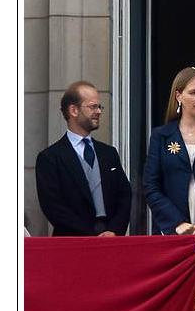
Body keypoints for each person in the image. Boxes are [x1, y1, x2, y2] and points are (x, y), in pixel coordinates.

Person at [36, 80, 131, 236]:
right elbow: (53, 206)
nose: (99, 111)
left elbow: (124, 195)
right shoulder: (50, 158)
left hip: (111, 241)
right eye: (93, 106)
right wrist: (91, 235)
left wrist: (113, 230)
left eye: (100, 107)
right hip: (72, 244)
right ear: (74, 110)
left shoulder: (109, 153)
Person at [143, 61, 195, 235]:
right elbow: (151, 185)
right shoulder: (161, 136)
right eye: (193, 92)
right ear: (178, 96)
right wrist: (176, 223)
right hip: (171, 230)